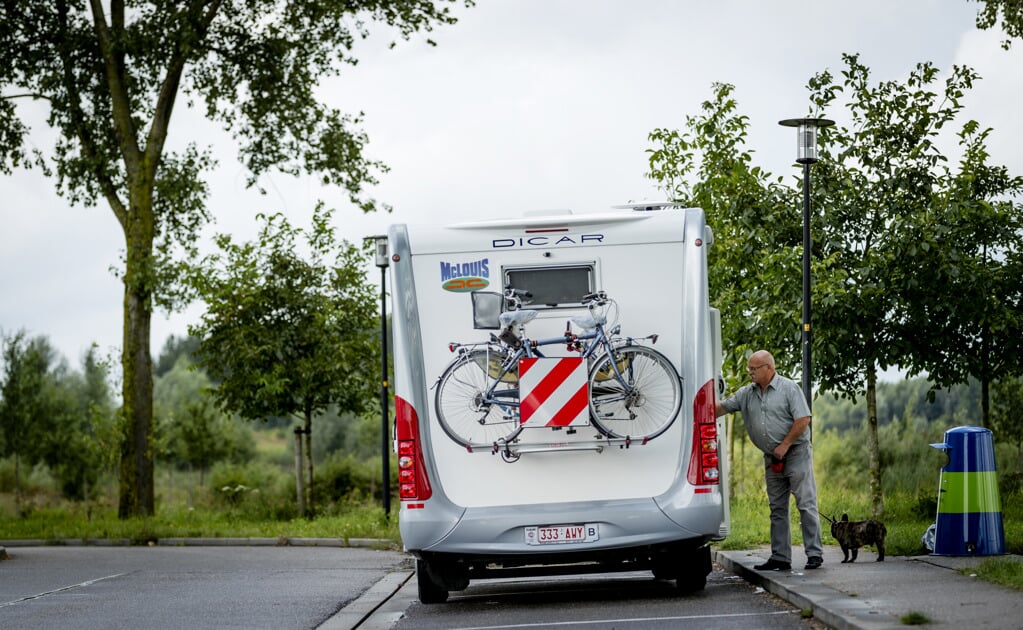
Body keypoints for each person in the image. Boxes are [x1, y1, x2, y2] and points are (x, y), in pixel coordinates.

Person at [715, 350, 824, 571]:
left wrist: (784, 445)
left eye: (754, 369)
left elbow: (803, 419)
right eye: (749, 368)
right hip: (772, 458)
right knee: (777, 508)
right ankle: (780, 557)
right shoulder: (747, 393)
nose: (749, 372)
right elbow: (721, 408)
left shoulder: (788, 388)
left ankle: (814, 554)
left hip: (796, 452)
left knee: (805, 503)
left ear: (769, 368)